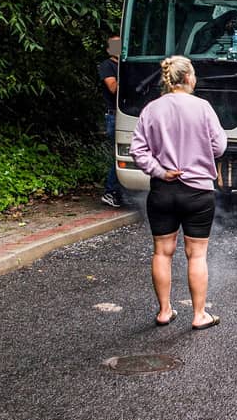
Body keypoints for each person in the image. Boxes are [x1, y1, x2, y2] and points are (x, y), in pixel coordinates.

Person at [130, 56, 227, 330]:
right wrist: (200, 152)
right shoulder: (203, 107)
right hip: (198, 192)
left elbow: (138, 151)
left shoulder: (151, 109)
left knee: (162, 252)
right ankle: (199, 315)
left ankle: (164, 311)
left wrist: (160, 171)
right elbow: (219, 147)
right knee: (196, 254)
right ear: (187, 78)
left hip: (163, 190)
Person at [98, 35, 124, 208]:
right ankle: (110, 191)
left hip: (125, 113)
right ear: (109, 50)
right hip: (114, 116)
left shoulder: (124, 65)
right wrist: (127, 75)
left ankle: (119, 191)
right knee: (118, 156)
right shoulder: (107, 66)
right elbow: (113, 88)